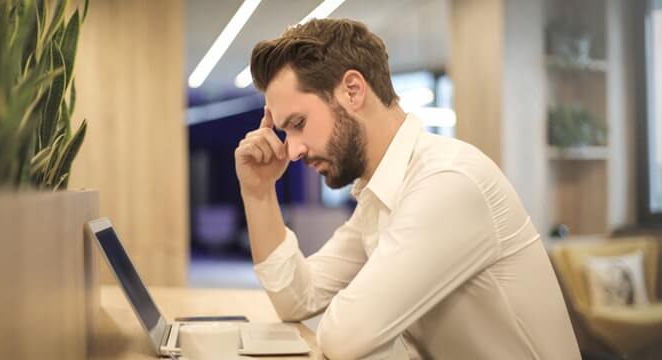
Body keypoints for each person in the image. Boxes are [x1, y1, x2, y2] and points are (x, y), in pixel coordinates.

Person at [234, 18, 580, 359]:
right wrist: (259, 192)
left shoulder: (447, 182)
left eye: (298, 124)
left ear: (352, 90)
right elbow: (298, 298)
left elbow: (346, 338)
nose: (292, 151)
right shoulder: (381, 193)